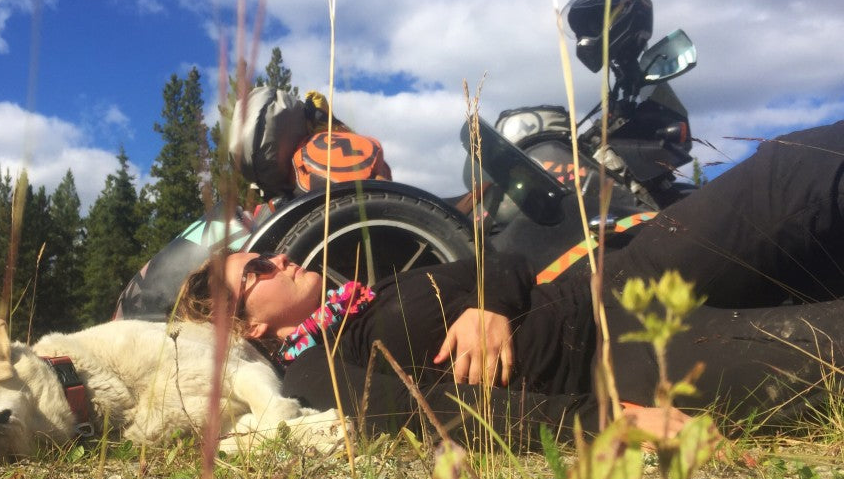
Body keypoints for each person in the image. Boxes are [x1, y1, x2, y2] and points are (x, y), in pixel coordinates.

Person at [174, 121, 844, 445]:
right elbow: (436, 417)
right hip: (614, 368)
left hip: (613, 281)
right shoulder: (316, 373)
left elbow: (509, 264)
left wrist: (488, 307)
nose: (276, 260)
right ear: (251, 327)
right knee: (818, 351)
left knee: (797, 170)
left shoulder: (376, 293)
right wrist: (608, 423)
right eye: (256, 273)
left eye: (265, 257)